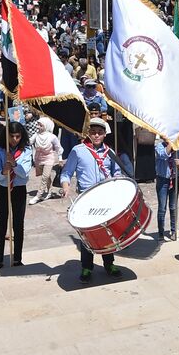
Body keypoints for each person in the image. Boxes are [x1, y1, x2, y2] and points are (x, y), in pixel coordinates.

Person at [60, 117, 127, 281]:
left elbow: (117, 172)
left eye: (99, 133)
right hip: (86, 197)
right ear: (88, 133)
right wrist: (65, 185)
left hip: (105, 196)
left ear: (104, 134)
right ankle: (86, 267)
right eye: (93, 132)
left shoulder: (109, 152)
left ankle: (109, 263)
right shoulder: (78, 150)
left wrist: (117, 181)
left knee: (107, 231)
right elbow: (66, 172)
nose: (96, 135)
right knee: (87, 234)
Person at [0, 120, 31, 269]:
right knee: (1, 224)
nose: (15, 140)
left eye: (18, 136)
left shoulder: (26, 151)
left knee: (18, 224)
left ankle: (17, 258)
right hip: (2, 188)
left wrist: (14, 164)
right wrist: (3, 171)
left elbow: (25, 174)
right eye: (12, 136)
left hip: (19, 189)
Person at [153, 138, 179, 240]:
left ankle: (173, 230)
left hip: (174, 179)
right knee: (162, 208)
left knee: (173, 207)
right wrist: (170, 143)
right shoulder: (159, 146)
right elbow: (163, 154)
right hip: (162, 180)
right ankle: (161, 232)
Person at [28, 116, 63, 205]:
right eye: (38, 125)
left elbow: (58, 148)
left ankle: (38, 196)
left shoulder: (52, 137)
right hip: (38, 158)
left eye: (41, 125)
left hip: (49, 158)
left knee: (45, 177)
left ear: (46, 126)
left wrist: (60, 159)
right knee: (46, 177)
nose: (38, 127)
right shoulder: (36, 135)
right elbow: (29, 142)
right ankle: (49, 192)